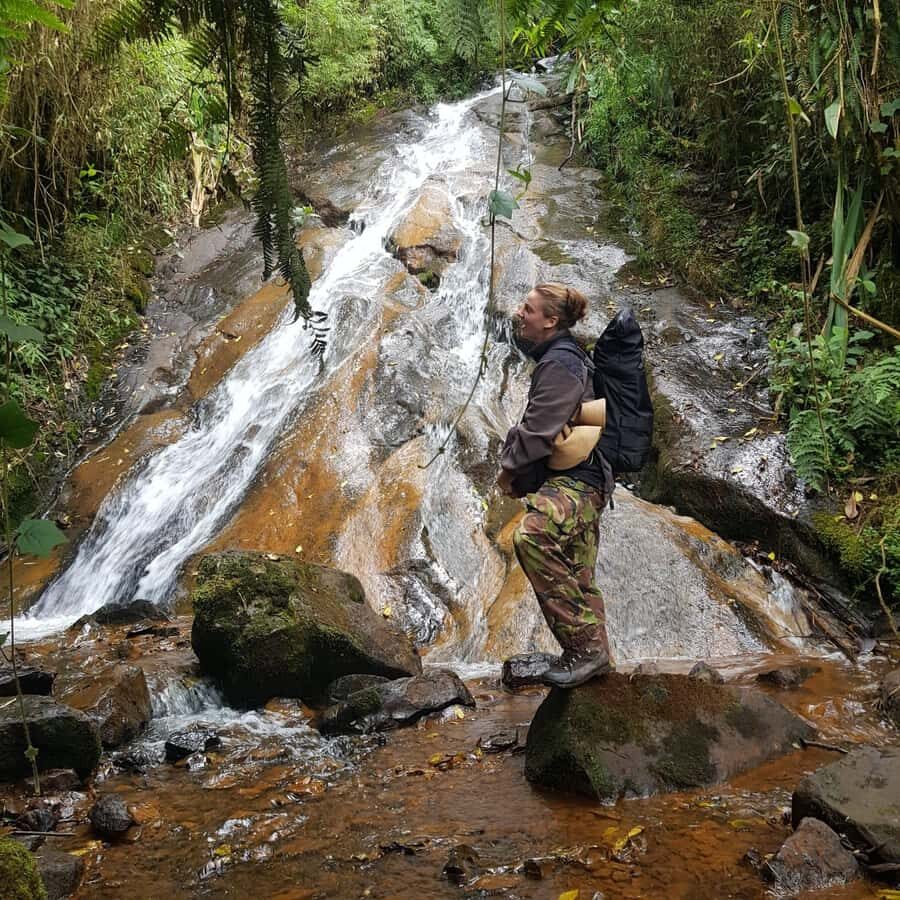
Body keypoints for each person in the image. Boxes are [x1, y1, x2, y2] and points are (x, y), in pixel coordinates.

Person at [497, 282, 615, 689]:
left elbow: (538, 430)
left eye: (528, 309)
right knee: (579, 574)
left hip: (578, 483)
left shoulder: (561, 363)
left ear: (550, 320)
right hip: (590, 480)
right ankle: (597, 663)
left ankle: (585, 648)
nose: (519, 313)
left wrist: (508, 471)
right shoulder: (563, 358)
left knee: (532, 536)